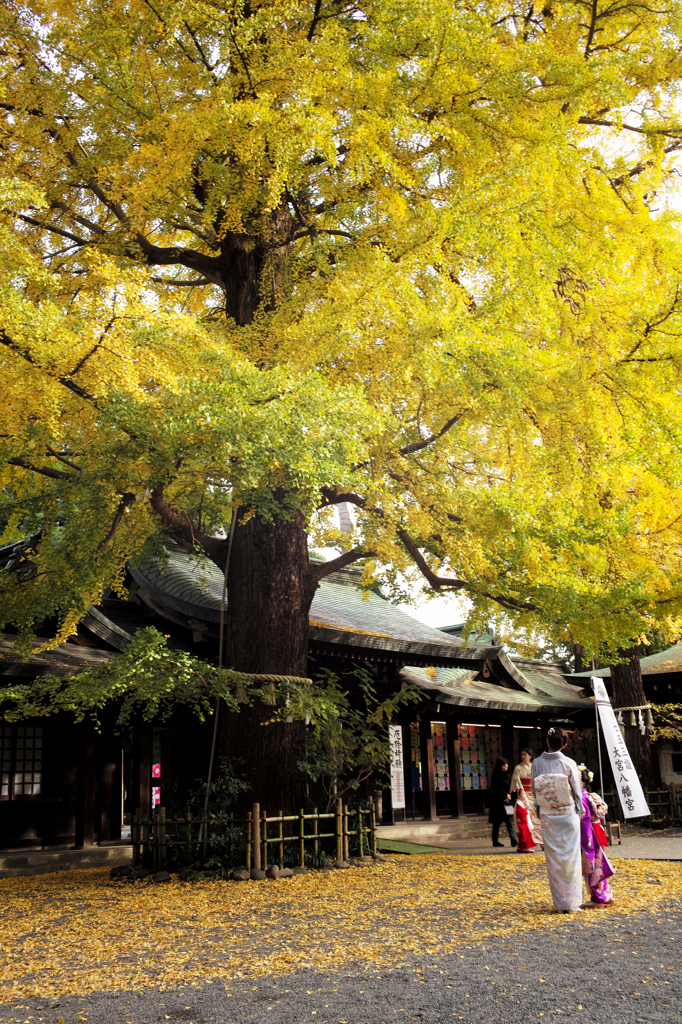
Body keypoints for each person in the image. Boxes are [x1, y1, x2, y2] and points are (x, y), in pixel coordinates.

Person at [531, 727, 583, 912]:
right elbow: (576, 790)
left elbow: (534, 790)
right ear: (565, 744)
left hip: (548, 815)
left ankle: (561, 903)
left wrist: (539, 810)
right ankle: (573, 902)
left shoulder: (537, 763)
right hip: (567, 813)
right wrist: (581, 809)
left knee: (553, 859)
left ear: (547, 741)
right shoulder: (569, 763)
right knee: (571, 857)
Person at [579, 766, 615, 907]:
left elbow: (583, 818)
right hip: (597, 828)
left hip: (589, 832)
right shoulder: (593, 796)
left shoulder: (582, 797)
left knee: (592, 866)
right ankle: (608, 895)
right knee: (600, 863)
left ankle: (598, 898)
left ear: (581, 782)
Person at [510, 748, 542, 853]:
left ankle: (541, 842)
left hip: (535, 794)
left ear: (530, 756)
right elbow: (517, 782)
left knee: (538, 819)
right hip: (524, 795)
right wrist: (521, 794)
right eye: (522, 754)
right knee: (526, 821)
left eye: (525, 754)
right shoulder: (518, 768)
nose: (523, 756)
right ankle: (525, 844)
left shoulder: (535, 767)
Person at [489, 757, 518, 848]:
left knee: (508, 820)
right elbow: (497, 788)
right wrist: (506, 795)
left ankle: (513, 839)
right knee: (497, 822)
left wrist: (508, 795)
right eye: (506, 764)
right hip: (498, 801)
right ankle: (496, 840)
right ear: (502, 766)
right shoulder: (496, 775)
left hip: (505, 800)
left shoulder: (506, 775)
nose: (507, 766)